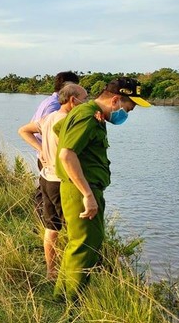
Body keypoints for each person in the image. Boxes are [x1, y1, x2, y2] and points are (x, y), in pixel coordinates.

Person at [53, 77, 150, 301]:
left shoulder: (89, 113)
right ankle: (72, 304)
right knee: (86, 246)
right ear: (115, 99)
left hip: (81, 187)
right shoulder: (87, 115)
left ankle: (61, 297)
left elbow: (59, 128)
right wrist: (87, 194)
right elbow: (67, 154)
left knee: (79, 244)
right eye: (129, 107)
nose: (129, 112)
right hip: (81, 190)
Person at [18, 83, 88, 280]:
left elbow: (23, 130)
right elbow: (69, 156)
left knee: (51, 228)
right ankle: (71, 274)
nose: (87, 102)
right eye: (85, 98)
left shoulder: (49, 118)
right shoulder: (68, 121)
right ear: (73, 100)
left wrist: (41, 149)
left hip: (46, 178)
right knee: (73, 229)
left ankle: (51, 271)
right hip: (61, 180)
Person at [31, 71, 81, 220]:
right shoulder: (55, 106)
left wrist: (41, 149)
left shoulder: (47, 101)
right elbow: (51, 132)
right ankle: (46, 228)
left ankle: (43, 228)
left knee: (45, 193)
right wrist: (43, 150)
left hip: (46, 154)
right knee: (55, 202)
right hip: (52, 157)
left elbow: (31, 128)